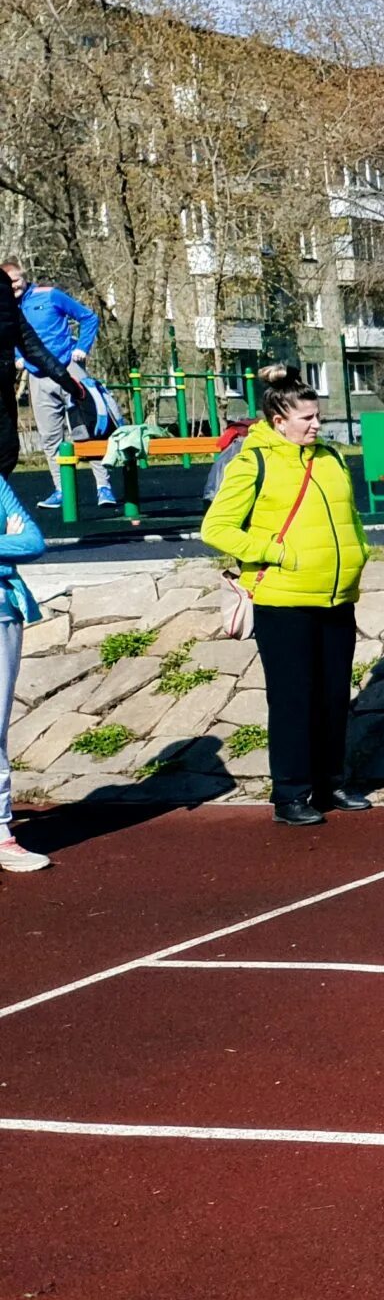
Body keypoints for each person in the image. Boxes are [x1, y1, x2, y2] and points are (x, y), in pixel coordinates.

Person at [201, 365, 371, 827]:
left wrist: (360, 553)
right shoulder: (252, 461)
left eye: (318, 416)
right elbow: (215, 528)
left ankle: (330, 781)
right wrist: (275, 552)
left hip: (337, 597)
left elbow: (349, 515)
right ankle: (292, 793)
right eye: (306, 419)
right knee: (294, 698)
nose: (316, 425)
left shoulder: (331, 458)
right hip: (283, 600)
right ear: (278, 420)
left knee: (334, 695)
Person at [1, 261, 112, 510]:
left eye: (16, 281)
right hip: (38, 376)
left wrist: (82, 347)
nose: (13, 287)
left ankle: (103, 486)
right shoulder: (8, 306)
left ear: (24, 278)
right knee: (50, 436)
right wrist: (18, 358)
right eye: (8, 284)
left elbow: (88, 317)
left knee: (87, 429)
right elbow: (15, 337)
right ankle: (62, 488)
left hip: (67, 368)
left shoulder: (49, 295)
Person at [0, 474, 49, 870]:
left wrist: (15, 542)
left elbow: (33, 541)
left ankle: (1, 832)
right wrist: (5, 543)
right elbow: (17, 542)